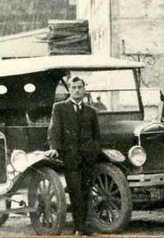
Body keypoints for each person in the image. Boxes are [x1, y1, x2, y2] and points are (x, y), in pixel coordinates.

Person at [48, 75, 101, 235]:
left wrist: (94, 150)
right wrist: (55, 147)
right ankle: (78, 228)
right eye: (74, 87)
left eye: (80, 87)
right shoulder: (59, 108)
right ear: (69, 90)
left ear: (84, 90)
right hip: (70, 158)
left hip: (87, 158)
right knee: (76, 193)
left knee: (86, 193)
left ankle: (82, 226)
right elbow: (54, 130)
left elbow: (96, 135)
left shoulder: (91, 112)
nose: (77, 90)